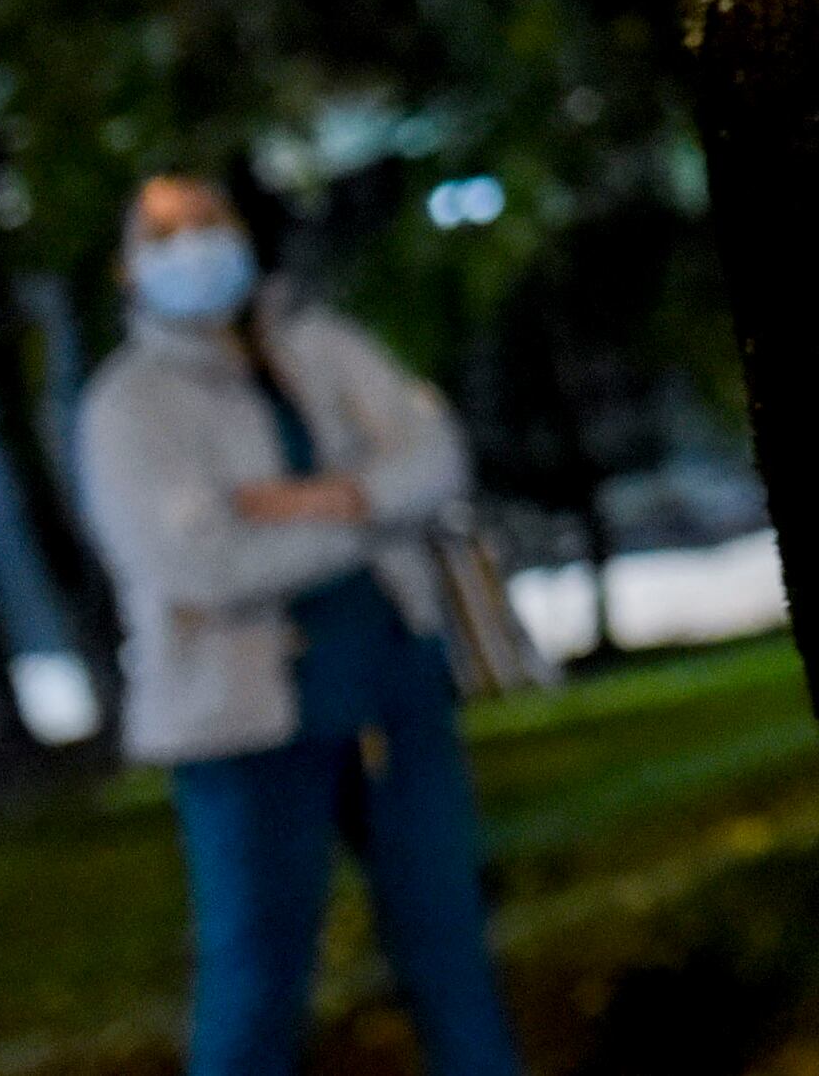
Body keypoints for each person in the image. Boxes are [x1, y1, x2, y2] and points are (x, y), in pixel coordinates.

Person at [77, 173, 524, 1076]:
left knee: (451, 947)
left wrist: (307, 503)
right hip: (241, 731)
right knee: (256, 977)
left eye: (206, 222)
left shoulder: (321, 344)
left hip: (392, 689)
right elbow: (195, 568)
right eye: (161, 233)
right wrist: (370, 510)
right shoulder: (126, 408)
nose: (191, 246)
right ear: (129, 271)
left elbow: (435, 456)